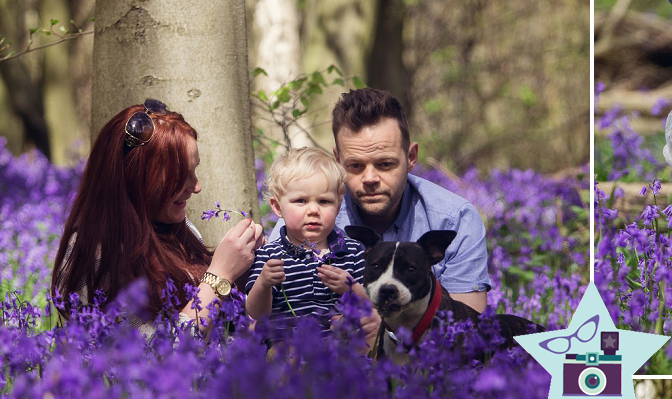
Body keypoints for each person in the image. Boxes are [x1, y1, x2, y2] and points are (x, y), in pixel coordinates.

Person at [52, 98, 263, 333]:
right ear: (136, 178)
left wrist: (245, 275)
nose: (196, 187)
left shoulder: (179, 229)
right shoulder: (97, 254)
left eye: (194, 170)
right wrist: (219, 275)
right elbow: (157, 359)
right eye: (180, 176)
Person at [271, 88, 490, 312]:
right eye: (355, 166)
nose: (370, 179)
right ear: (337, 161)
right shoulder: (306, 218)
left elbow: (465, 330)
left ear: (411, 157)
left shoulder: (455, 219)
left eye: (385, 164)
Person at [245, 147, 371, 328]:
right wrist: (264, 284)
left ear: (338, 205)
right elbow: (256, 313)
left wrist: (351, 289)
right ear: (277, 207)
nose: (313, 210)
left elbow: (372, 306)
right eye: (301, 201)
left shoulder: (353, 252)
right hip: (287, 349)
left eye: (324, 201)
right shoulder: (268, 255)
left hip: (341, 350)